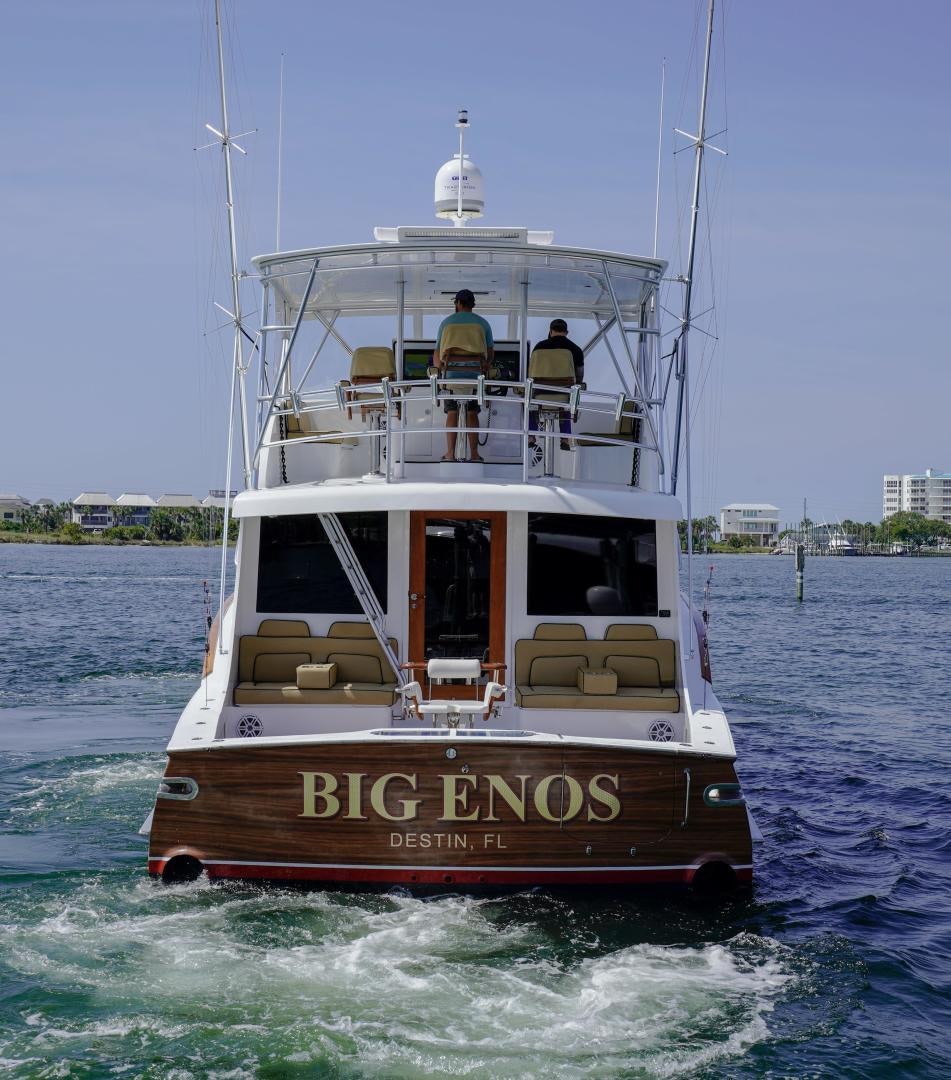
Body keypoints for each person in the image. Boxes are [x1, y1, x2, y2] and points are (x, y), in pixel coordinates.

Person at [434, 289, 494, 462]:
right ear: (472, 304)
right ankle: (474, 455)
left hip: (451, 378)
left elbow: (437, 355)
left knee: (452, 412)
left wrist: (441, 368)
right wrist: (485, 366)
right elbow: (490, 353)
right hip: (475, 378)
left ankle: (450, 454)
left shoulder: (446, 323)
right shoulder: (483, 324)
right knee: (472, 412)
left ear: (458, 303)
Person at [530, 318, 584, 448]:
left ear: (550, 331)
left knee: (529, 401)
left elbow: (531, 373)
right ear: (567, 332)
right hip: (564, 395)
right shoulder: (576, 349)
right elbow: (580, 376)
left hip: (540, 394)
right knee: (567, 402)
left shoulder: (539, 348)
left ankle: (531, 436)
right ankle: (565, 439)